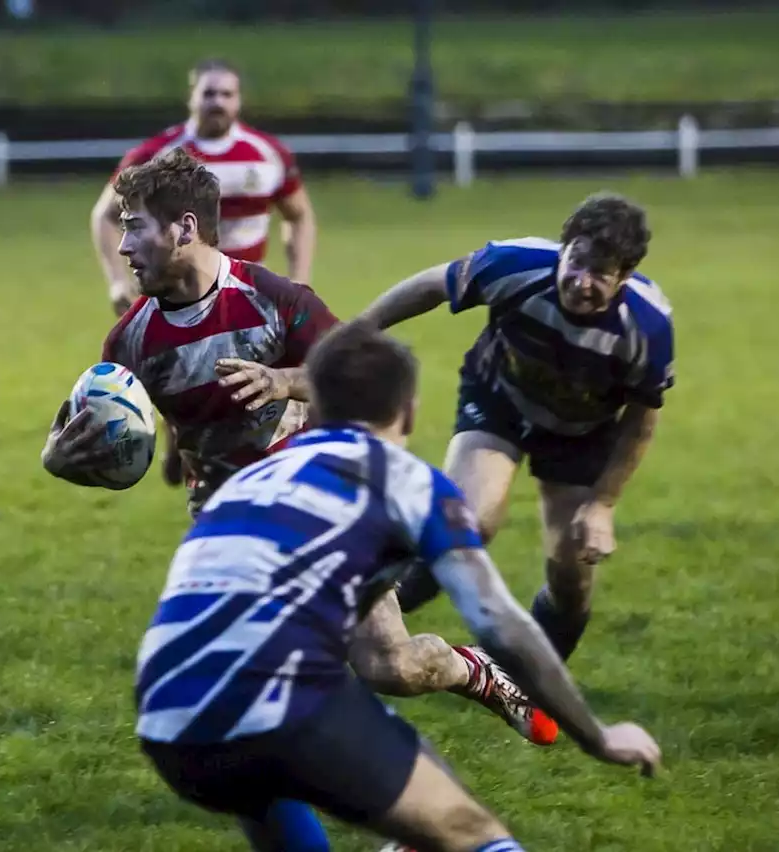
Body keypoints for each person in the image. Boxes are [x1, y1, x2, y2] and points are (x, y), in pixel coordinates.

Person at [134, 320, 662, 852]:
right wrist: (597, 735)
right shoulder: (404, 477)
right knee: (470, 833)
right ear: (407, 412)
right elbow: (497, 620)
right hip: (278, 702)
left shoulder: (244, 482)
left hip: (166, 717)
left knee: (261, 775)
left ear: (313, 409)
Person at [44, 147, 525, 729]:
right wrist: (65, 456)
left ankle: (474, 671)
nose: (122, 248)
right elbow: (127, 436)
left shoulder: (276, 300)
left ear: (184, 228)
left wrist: (286, 380)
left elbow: (363, 379)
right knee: (241, 705)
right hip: (228, 531)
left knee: (390, 666)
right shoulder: (130, 343)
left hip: (321, 506)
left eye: (134, 228)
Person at [356, 194, 675, 745]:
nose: (580, 281)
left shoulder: (647, 327)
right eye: (575, 261)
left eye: (599, 274)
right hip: (499, 401)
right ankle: (368, 622)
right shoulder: (516, 265)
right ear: (563, 248)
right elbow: (433, 283)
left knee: (572, 579)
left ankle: (522, 683)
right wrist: (361, 330)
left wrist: (602, 505)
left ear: (625, 277)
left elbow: (640, 424)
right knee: (467, 521)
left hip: (582, 433)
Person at [90, 57, 318, 487]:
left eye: (226, 94)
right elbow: (104, 214)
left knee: (261, 395)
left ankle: (233, 468)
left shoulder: (267, 155)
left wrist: (298, 276)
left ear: (239, 101)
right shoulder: (158, 157)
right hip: (175, 292)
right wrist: (117, 279)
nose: (217, 102)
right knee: (182, 377)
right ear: (191, 97)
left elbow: (300, 215)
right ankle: (187, 447)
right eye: (208, 93)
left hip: (248, 297)